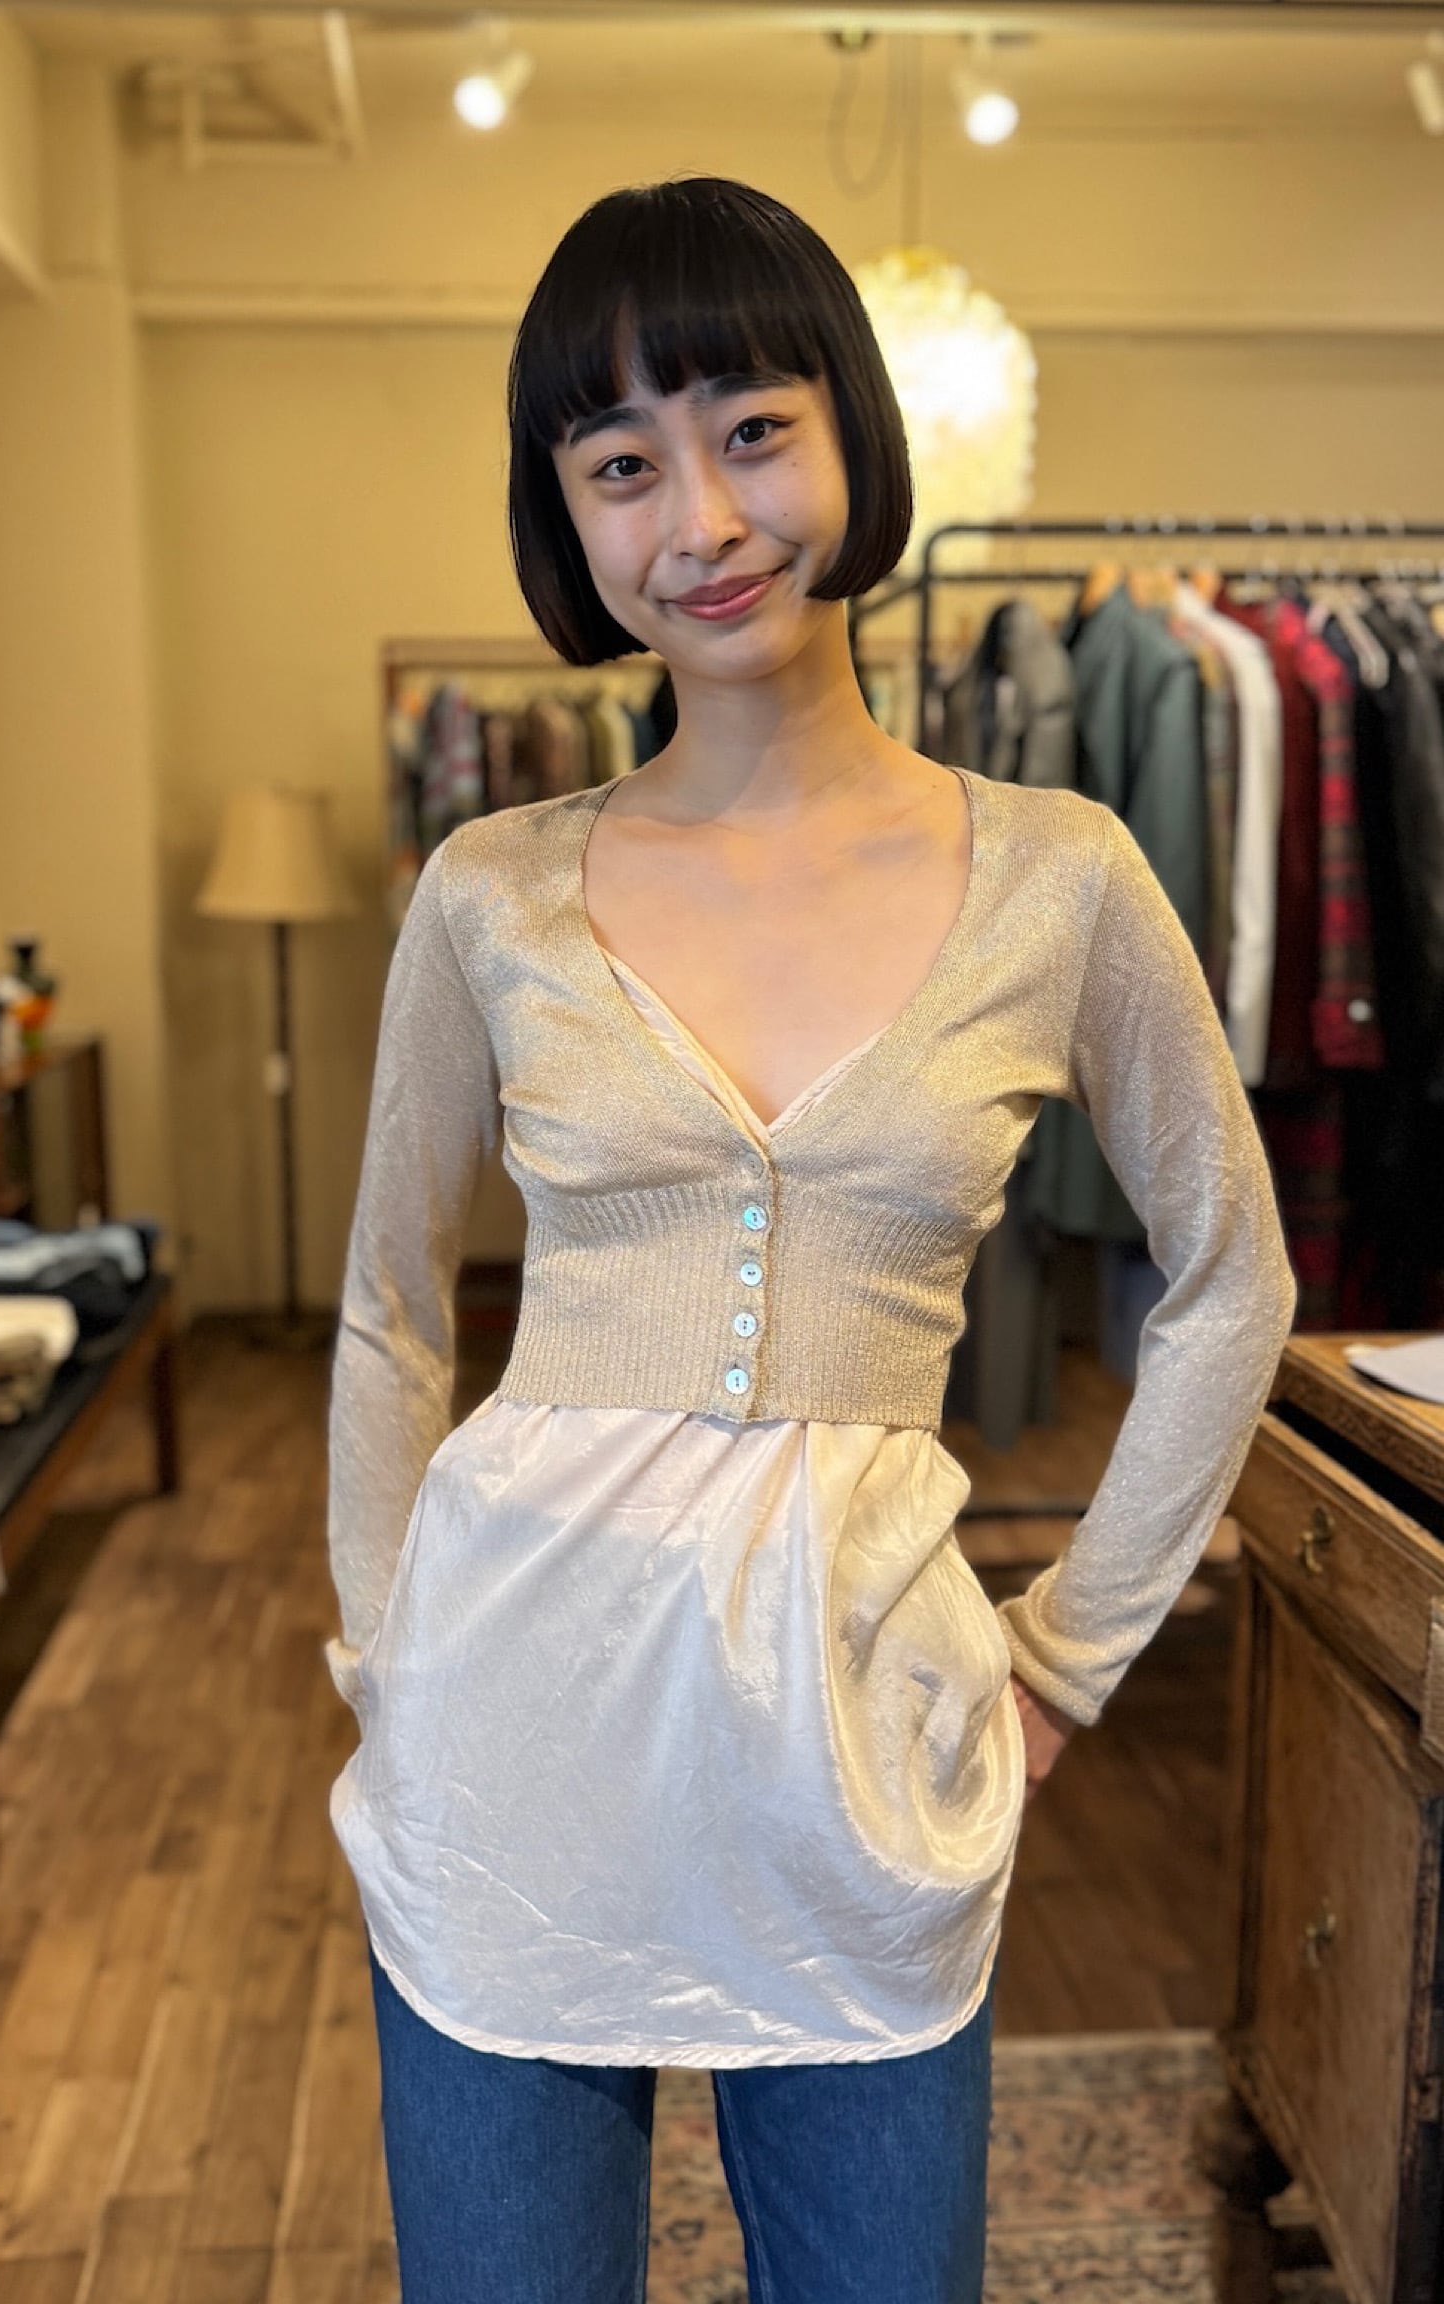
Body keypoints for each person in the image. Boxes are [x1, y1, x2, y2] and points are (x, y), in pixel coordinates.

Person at [324, 176, 1298, 2304]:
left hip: (862, 1762)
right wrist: (385, 1652)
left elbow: (1235, 1274)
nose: (702, 519)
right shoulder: (491, 891)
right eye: (620, 464)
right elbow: (393, 1302)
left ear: (852, 430)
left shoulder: (1062, 875)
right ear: (567, 518)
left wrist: (1065, 1662)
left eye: (753, 429)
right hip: (508, 1744)